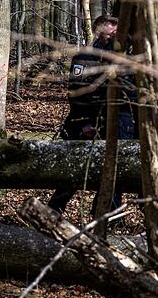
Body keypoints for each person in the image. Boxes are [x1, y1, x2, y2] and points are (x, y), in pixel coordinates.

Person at [48, 15, 138, 214]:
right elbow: (77, 92)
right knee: (78, 168)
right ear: (99, 29)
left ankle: (107, 214)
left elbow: (132, 92)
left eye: (117, 24)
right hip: (89, 120)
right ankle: (54, 209)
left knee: (116, 168)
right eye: (110, 24)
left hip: (121, 121)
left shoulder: (126, 56)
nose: (115, 28)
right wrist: (84, 123)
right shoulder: (85, 57)